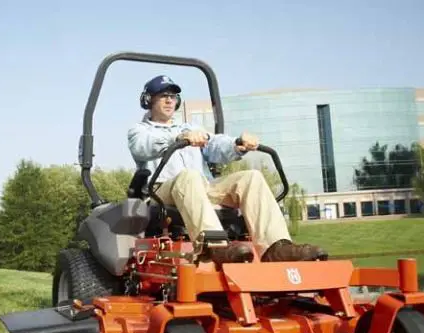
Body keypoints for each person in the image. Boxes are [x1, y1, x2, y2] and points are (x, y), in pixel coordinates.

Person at [127, 75, 328, 265]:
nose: (169, 100)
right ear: (148, 100)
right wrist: (178, 138)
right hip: (161, 192)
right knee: (189, 177)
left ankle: (276, 248)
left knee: (251, 178)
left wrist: (237, 144)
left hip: (201, 188)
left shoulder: (190, 127)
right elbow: (143, 146)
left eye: (173, 96)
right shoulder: (140, 130)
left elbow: (215, 144)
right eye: (163, 96)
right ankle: (216, 246)